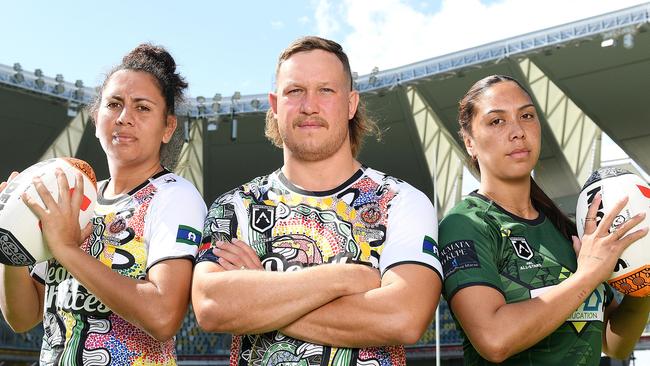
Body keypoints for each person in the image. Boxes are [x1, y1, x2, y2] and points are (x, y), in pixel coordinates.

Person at [192, 36, 442, 366]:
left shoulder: (400, 202)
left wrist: (259, 296)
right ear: (275, 104)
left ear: (351, 103)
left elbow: (403, 318)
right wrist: (347, 279)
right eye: (295, 91)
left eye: (326, 90)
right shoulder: (234, 206)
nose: (309, 105)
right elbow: (212, 308)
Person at [0, 44, 207, 365]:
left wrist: (67, 250)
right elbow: (23, 318)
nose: (125, 118)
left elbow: (163, 317)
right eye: (114, 104)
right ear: (96, 118)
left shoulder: (174, 196)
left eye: (142, 108)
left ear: (167, 127)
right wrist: (10, 237)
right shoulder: (70, 195)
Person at [438, 74, 650, 365]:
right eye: (497, 121)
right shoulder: (466, 224)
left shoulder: (564, 227)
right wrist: (587, 275)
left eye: (526, 116)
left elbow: (614, 344)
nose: (517, 131)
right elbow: (494, 340)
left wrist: (644, 273)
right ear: (470, 143)